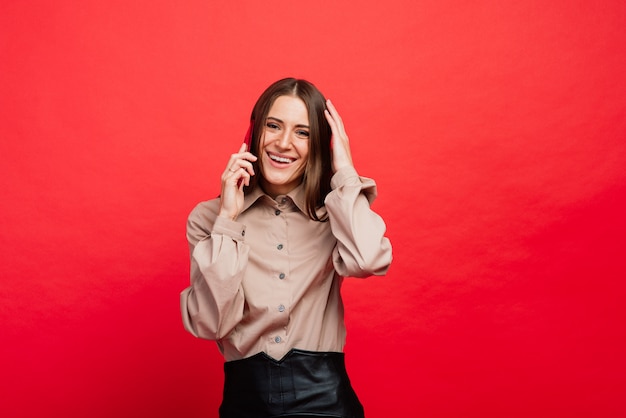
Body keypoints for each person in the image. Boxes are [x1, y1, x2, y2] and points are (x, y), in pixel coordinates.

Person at [180, 78, 392, 418]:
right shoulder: (209, 219)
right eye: (273, 126)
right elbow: (210, 324)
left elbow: (369, 260)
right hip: (244, 402)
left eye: (303, 133)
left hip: (326, 400)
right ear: (254, 132)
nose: (283, 143)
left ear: (321, 144)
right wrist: (228, 220)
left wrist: (346, 171)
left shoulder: (332, 214)